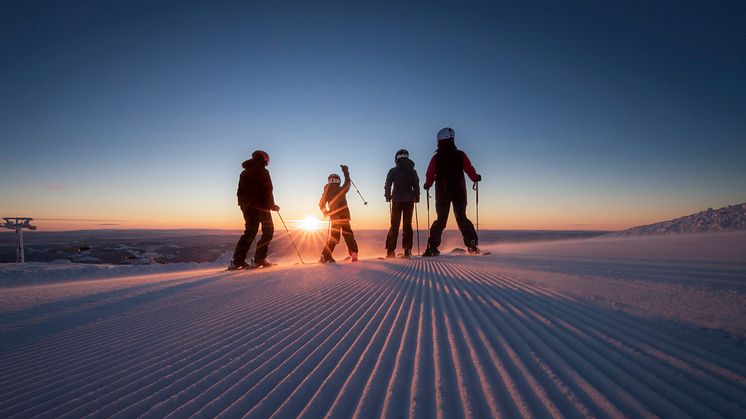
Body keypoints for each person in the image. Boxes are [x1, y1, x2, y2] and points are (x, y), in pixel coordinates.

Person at [423, 127, 482, 256]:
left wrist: (427, 185)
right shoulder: (460, 155)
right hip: (459, 191)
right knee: (461, 217)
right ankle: (471, 243)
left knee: (441, 219)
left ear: (440, 141)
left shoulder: (436, 158)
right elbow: (469, 169)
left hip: (442, 193)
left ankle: (432, 246)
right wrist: (475, 177)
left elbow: (430, 174)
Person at [228, 150, 280, 270]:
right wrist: (272, 206)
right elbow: (268, 191)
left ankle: (237, 261)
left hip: (247, 208)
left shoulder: (244, 173)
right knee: (268, 231)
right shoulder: (264, 172)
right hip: (262, 207)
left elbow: (239, 192)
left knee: (249, 233)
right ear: (264, 159)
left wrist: (242, 205)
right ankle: (259, 259)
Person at [319, 165, 359, 263]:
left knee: (334, 237)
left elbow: (321, 203)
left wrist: (327, 212)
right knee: (348, 235)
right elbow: (348, 183)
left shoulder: (326, 192)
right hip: (344, 216)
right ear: (338, 181)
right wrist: (346, 172)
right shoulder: (341, 189)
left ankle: (325, 256)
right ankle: (354, 253)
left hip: (335, 218)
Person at [384, 149, 420, 258]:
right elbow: (416, 185)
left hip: (397, 200)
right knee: (407, 225)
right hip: (409, 201)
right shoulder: (413, 171)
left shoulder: (393, 171)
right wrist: (417, 197)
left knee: (394, 225)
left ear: (397, 158)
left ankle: (390, 251)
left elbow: (388, 184)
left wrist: (388, 196)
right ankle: (407, 250)